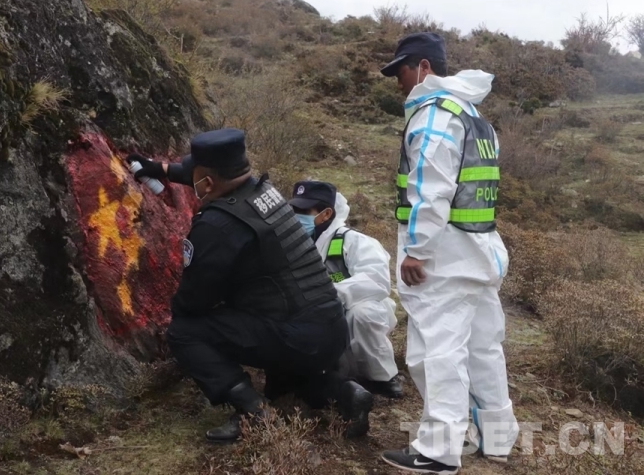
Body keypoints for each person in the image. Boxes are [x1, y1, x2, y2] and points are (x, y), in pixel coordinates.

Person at [126, 128, 373, 443]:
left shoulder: (217, 226)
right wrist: (160, 169)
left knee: (185, 331)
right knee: (282, 386)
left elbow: (192, 302)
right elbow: (203, 173)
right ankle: (346, 394)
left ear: (208, 182)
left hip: (296, 337)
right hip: (331, 329)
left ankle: (252, 412)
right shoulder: (264, 192)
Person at [377, 32, 519, 474]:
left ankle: (438, 452)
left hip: (445, 258)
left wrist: (416, 251)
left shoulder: (434, 117)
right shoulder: (474, 116)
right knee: (483, 349)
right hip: (479, 251)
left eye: (401, 71)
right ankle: (497, 439)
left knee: (437, 352)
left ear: (423, 67)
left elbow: (431, 190)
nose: (399, 82)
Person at [289, 181, 403, 399]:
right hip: (312, 315)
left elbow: (376, 280)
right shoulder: (293, 244)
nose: (296, 216)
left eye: (304, 211)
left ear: (326, 214)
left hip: (354, 309)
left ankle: (381, 377)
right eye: (294, 210)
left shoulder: (353, 241)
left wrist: (331, 294)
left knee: (362, 315)